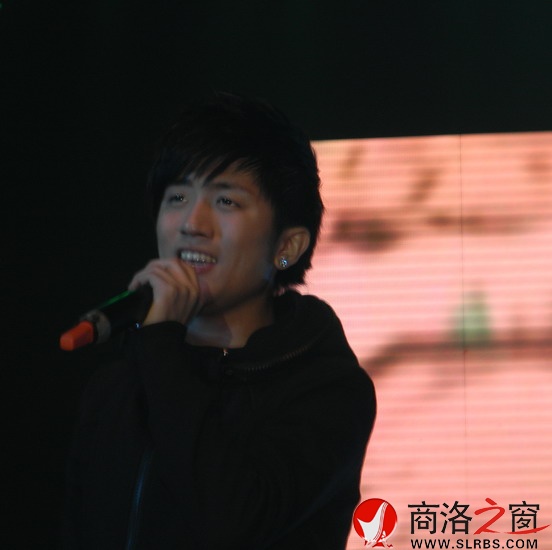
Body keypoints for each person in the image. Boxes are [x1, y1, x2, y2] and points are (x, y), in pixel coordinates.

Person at [61, 91, 377, 550]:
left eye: (226, 201)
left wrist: (161, 344)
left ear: (286, 247)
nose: (192, 223)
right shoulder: (118, 387)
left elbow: (233, 521)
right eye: (177, 197)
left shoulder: (327, 391)